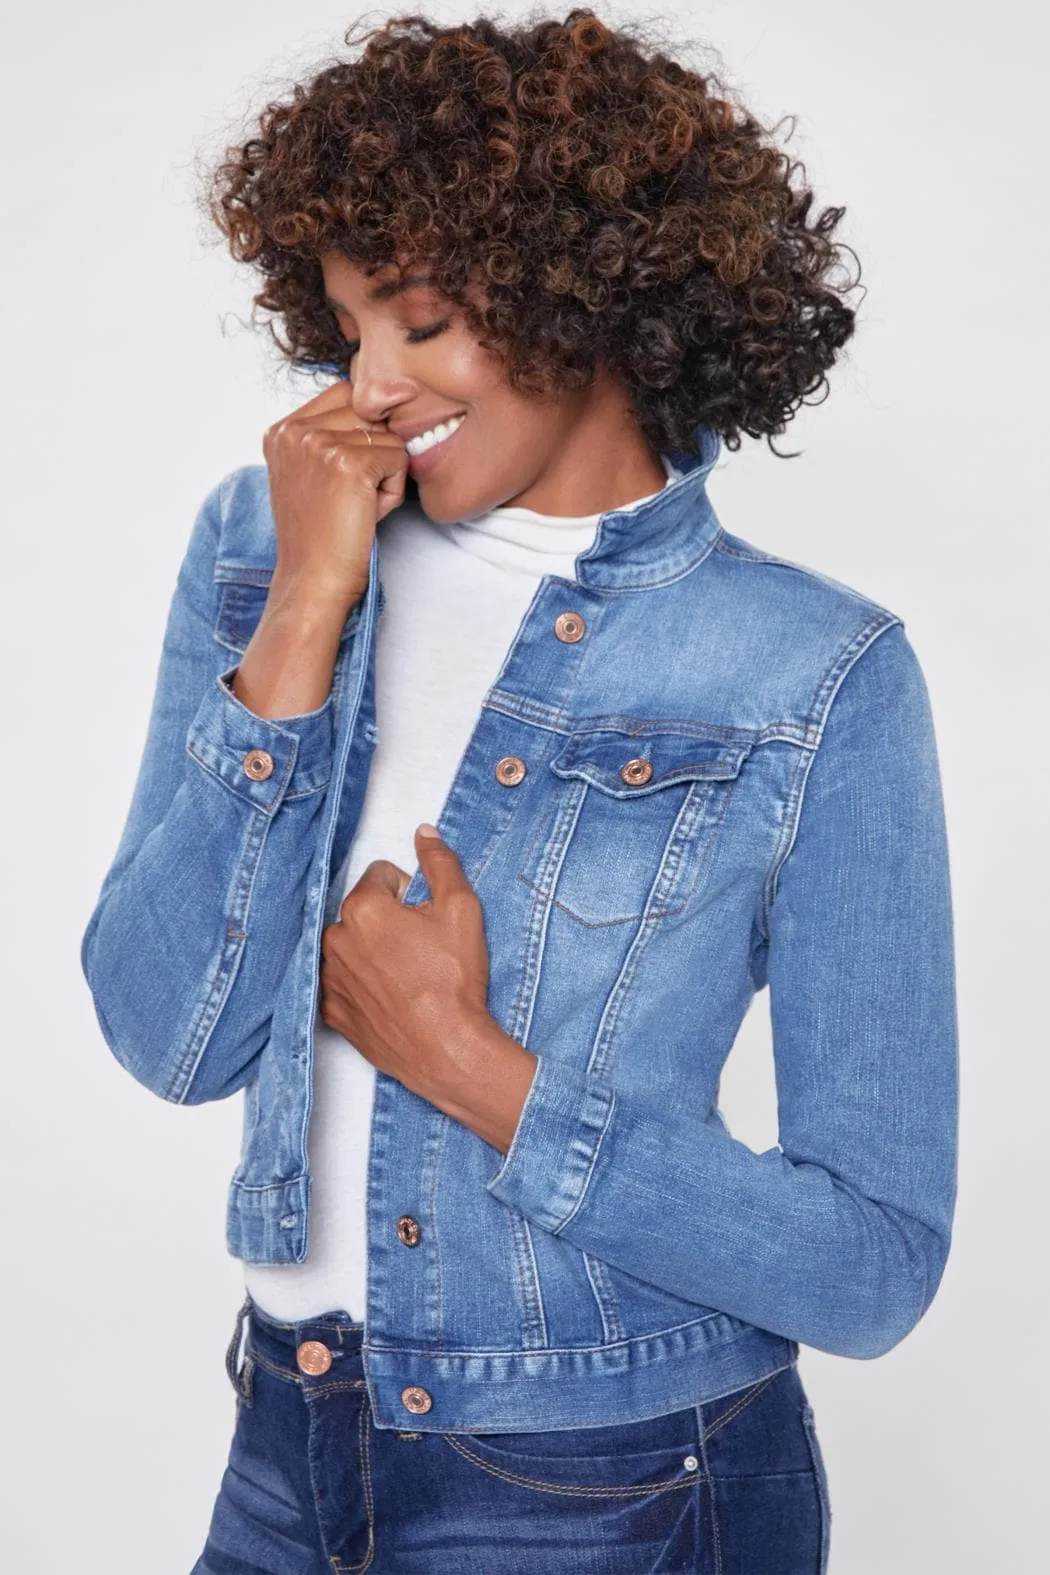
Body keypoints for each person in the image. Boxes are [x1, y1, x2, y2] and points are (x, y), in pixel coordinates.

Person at [79, 10, 958, 1572]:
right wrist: (304, 611)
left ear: (590, 295)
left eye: (420, 322)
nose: (371, 383)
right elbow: (170, 1037)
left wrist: (467, 1063)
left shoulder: (812, 673)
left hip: (616, 1478)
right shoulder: (263, 541)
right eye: (345, 327)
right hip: (287, 1440)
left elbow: (869, 1262)